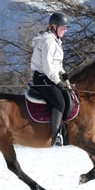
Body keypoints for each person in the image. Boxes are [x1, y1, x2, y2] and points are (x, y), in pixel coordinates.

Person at [30, 11, 71, 146]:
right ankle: (56, 135)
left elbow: (56, 64)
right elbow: (47, 66)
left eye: (66, 28)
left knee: (67, 96)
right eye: (63, 28)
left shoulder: (56, 40)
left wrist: (63, 74)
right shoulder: (48, 41)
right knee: (59, 102)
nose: (65, 31)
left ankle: (65, 130)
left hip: (50, 76)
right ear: (54, 27)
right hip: (42, 77)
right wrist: (58, 82)